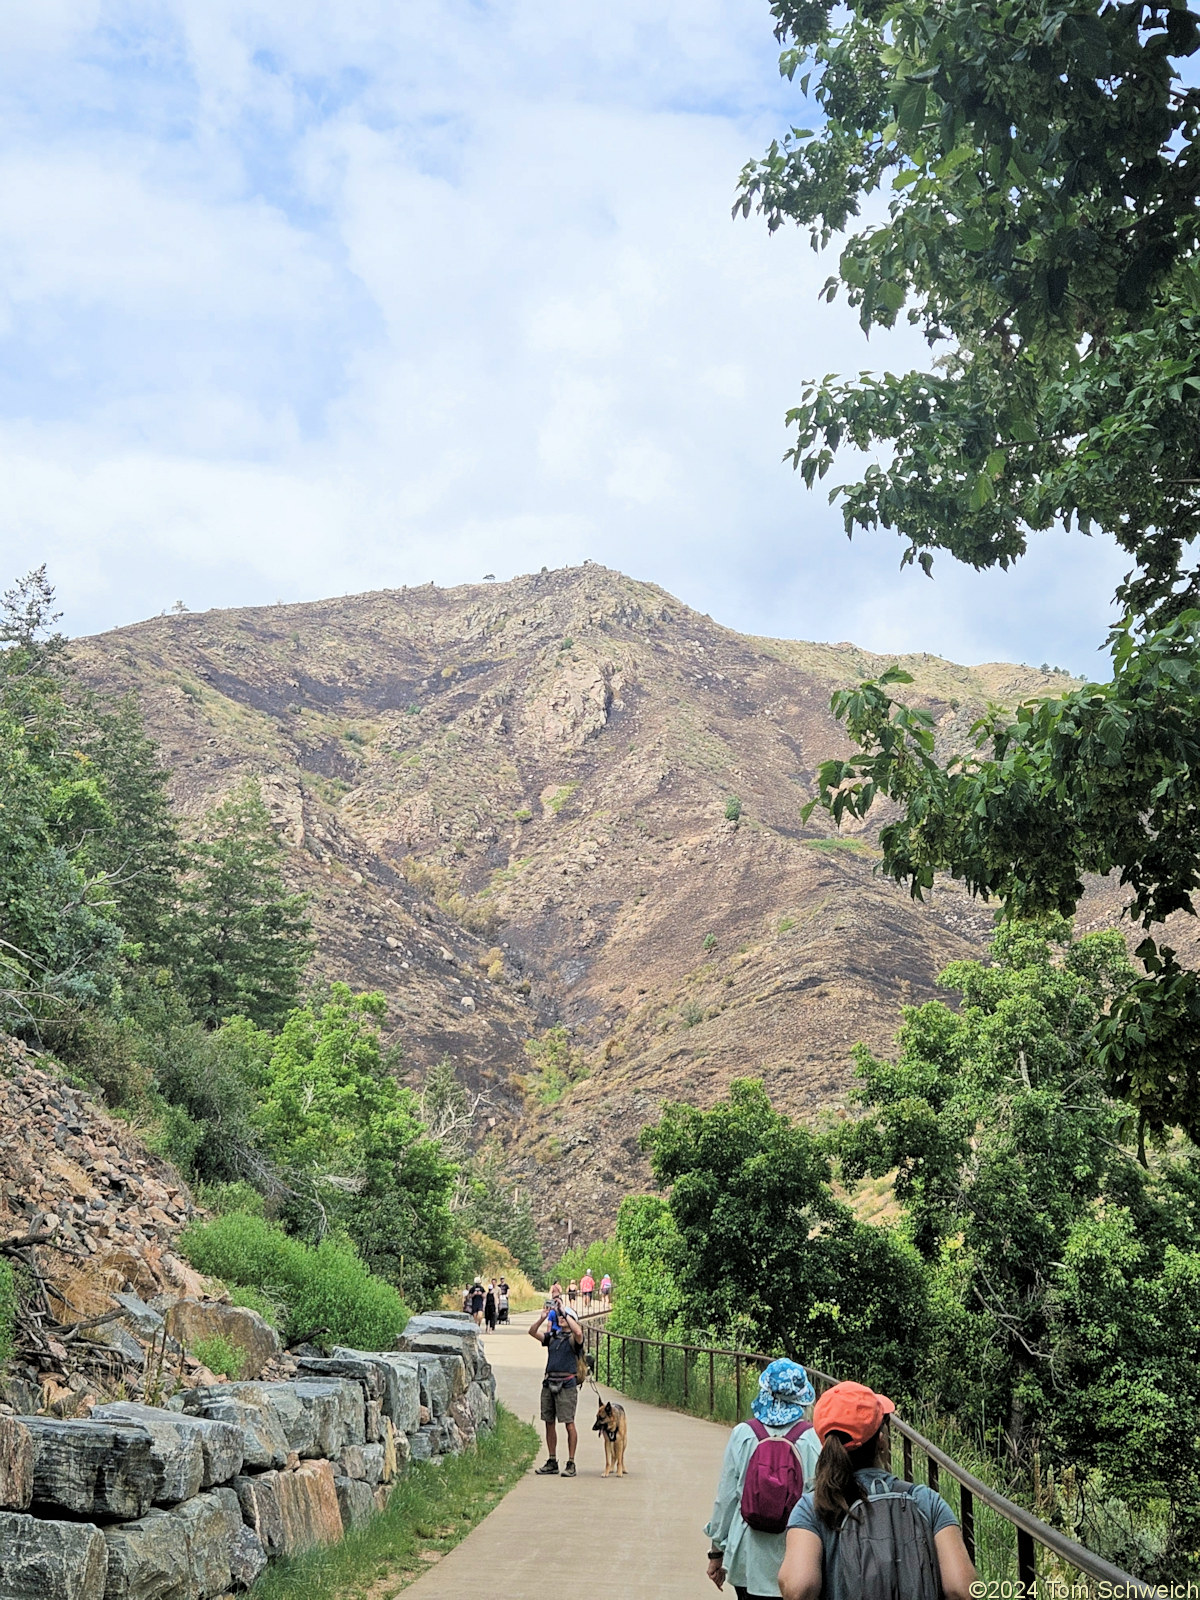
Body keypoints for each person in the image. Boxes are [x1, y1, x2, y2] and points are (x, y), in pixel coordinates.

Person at [778, 1381, 976, 1600]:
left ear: (824, 1443)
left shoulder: (812, 1507)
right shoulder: (926, 1501)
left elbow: (799, 1589)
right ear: (881, 1442)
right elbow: (962, 1589)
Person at [705, 1359, 821, 1600]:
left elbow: (726, 1499)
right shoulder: (811, 1439)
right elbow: (820, 1502)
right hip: (795, 1559)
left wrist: (716, 1553)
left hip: (749, 1559)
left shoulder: (744, 1434)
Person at [528, 1292, 584, 1478]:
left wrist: (563, 1310)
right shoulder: (553, 1337)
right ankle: (552, 1460)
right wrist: (542, 1317)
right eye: (560, 1316)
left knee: (569, 1423)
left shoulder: (574, 1340)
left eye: (565, 1317)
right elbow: (532, 1332)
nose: (561, 1319)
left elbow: (578, 1332)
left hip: (567, 1384)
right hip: (549, 1382)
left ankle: (571, 1462)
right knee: (549, 1422)